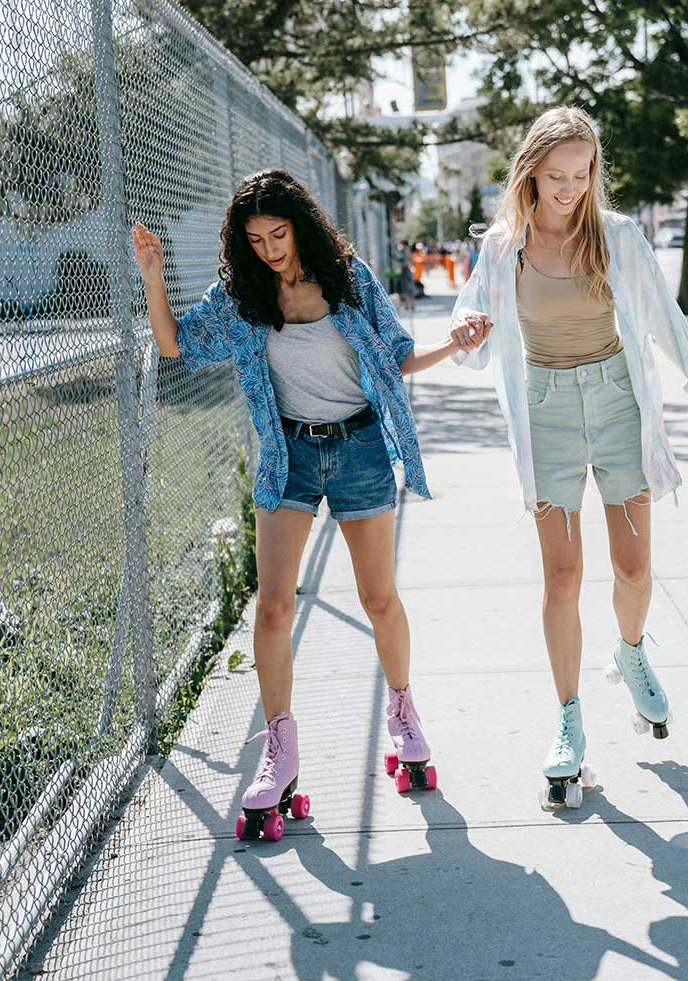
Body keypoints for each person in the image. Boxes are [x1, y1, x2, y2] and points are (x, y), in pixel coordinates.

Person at [132, 169, 467, 836]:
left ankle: (403, 712)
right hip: (288, 456)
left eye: (278, 235)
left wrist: (455, 344)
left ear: (301, 226)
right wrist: (153, 275)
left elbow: (396, 357)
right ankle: (280, 747)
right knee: (274, 605)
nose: (269, 250)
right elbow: (175, 344)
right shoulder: (244, 295)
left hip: (360, 449)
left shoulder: (348, 279)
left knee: (378, 598)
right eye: (255, 240)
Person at [448, 107, 688, 810]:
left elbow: (667, 323)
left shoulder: (617, 237)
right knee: (562, 577)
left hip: (617, 405)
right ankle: (568, 721)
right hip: (547, 411)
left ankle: (631, 649)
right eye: (557, 175)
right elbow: (471, 322)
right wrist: (465, 329)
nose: (570, 188)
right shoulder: (505, 247)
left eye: (582, 174)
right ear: (531, 172)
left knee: (633, 567)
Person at [396, 240, 416, 312]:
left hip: (406, 272)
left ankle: (408, 306)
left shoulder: (406, 252)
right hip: (407, 272)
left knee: (407, 290)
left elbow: (406, 262)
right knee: (408, 290)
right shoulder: (406, 251)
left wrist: (400, 266)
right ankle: (410, 305)